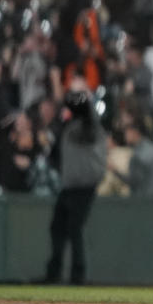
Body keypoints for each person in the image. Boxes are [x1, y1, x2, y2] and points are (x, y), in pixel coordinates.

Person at [43, 89, 107, 285]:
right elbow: (54, 155)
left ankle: (77, 276)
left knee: (74, 228)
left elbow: (85, 115)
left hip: (85, 186)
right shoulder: (71, 127)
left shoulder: (90, 127)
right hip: (69, 186)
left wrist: (81, 101)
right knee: (58, 227)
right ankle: (54, 273)